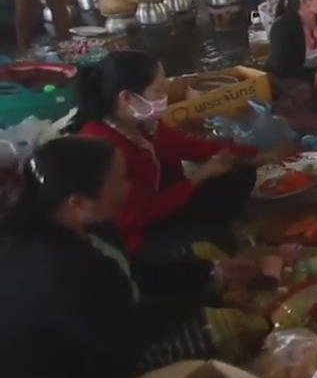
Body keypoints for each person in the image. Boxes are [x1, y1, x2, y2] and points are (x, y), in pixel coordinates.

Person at [0, 136, 271, 378]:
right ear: (78, 202)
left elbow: (132, 271)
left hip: (111, 335)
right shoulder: (57, 271)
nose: (128, 186)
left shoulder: (81, 224)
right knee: (230, 335)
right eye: (119, 180)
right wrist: (208, 296)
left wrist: (211, 270)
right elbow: (130, 333)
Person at [73, 50, 268, 258]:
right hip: (137, 234)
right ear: (127, 98)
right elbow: (142, 213)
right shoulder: (105, 149)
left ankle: (217, 232)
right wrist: (200, 178)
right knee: (207, 242)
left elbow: (190, 147)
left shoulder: (142, 123)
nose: (165, 97)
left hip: (165, 204)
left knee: (238, 173)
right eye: (158, 91)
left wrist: (255, 154)